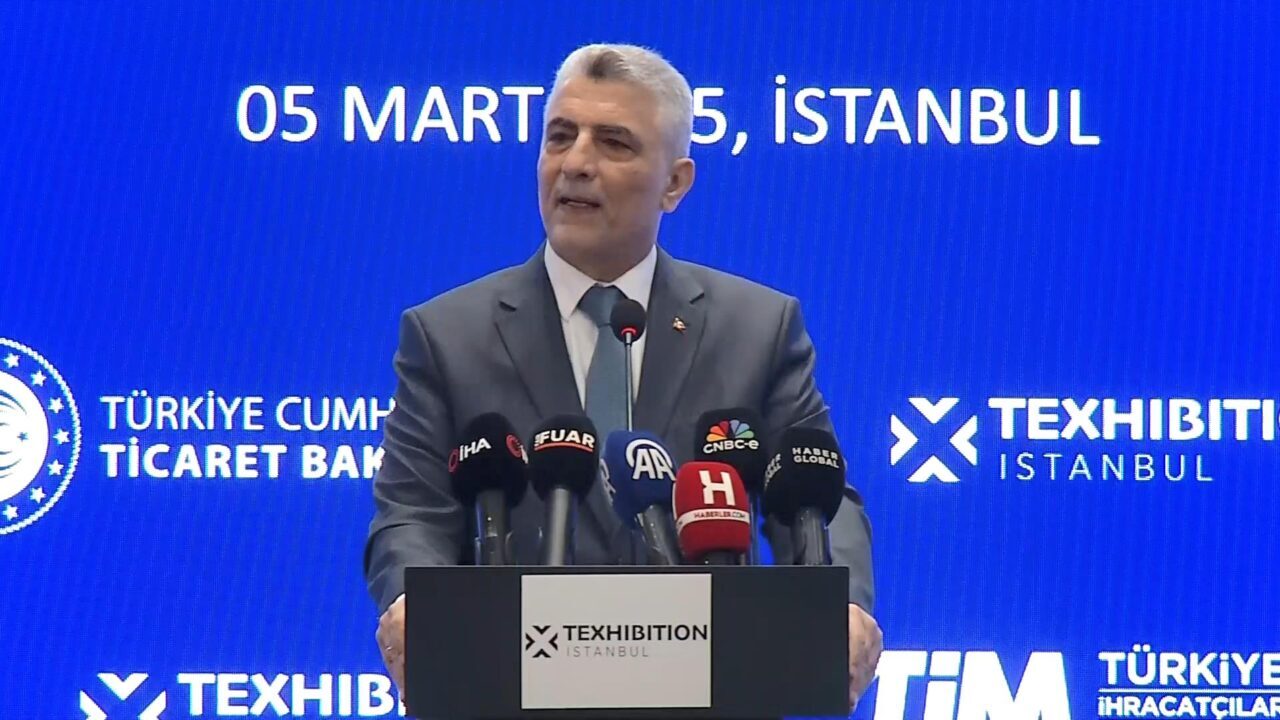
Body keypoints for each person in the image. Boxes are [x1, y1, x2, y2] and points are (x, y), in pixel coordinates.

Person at [365, 43, 882, 709]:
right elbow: (411, 512)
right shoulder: (447, 334)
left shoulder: (758, 327)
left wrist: (843, 602)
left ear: (675, 183)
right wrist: (412, 599)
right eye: (560, 136)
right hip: (515, 690)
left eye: (613, 143)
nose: (576, 163)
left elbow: (817, 499)